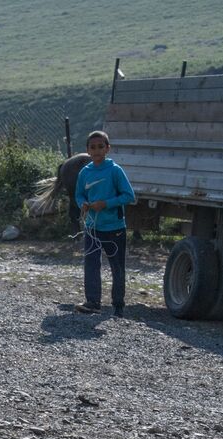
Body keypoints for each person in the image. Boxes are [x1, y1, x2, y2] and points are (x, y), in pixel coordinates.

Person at [74, 130, 135, 316]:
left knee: (117, 267)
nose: (97, 150)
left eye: (101, 146)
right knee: (91, 264)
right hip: (92, 228)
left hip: (114, 228)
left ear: (108, 148)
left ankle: (118, 306)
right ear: (87, 150)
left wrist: (106, 204)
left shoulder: (115, 170)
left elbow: (129, 196)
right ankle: (93, 302)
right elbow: (79, 194)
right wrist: (83, 204)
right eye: (93, 147)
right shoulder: (85, 172)